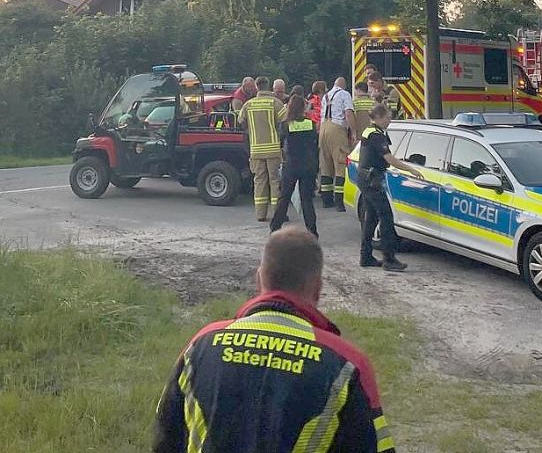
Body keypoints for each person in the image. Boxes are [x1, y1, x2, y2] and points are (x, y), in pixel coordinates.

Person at [153, 227, 395, 453]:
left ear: (259, 280)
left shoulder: (201, 346)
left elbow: (165, 439)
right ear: (318, 288)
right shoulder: (346, 364)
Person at [357, 104, 423, 272]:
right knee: (386, 216)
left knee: (371, 218)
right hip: (372, 180)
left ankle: (365, 256)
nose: (390, 120)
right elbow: (389, 158)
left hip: (366, 178)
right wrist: (411, 169)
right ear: (378, 117)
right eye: (387, 117)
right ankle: (389, 258)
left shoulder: (369, 131)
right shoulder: (377, 136)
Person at [238, 76, 287, 221]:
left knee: (259, 181)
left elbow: (241, 121)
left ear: (257, 87)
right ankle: (277, 214)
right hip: (273, 149)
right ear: (268, 86)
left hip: (256, 149)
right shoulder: (275, 103)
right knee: (274, 181)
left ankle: (260, 214)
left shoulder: (248, 104)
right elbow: (285, 121)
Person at [270, 94, 319, 237]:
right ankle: (312, 232)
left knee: (284, 198)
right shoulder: (311, 124)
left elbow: (281, 144)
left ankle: (275, 229)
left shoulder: (285, 125)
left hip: (291, 165)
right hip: (308, 165)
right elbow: (315, 145)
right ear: (303, 107)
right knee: (307, 201)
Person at [319, 77, 356, 211]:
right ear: (344, 86)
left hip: (323, 129)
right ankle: (340, 202)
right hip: (337, 128)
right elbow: (348, 113)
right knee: (340, 163)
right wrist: (353, 131)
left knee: (325, 164)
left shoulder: (325, 97)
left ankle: (326, 199)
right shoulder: (345, 94)